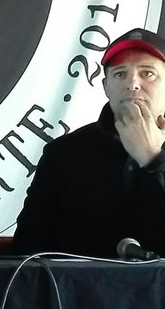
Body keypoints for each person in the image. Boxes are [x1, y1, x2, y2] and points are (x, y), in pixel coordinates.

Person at [12, 28, 165, 257]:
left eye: (147, 73)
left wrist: (153, 159)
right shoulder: (63, 154)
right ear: (106, 87)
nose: (132, 83)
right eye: (120, 74)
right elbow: (26, 250)